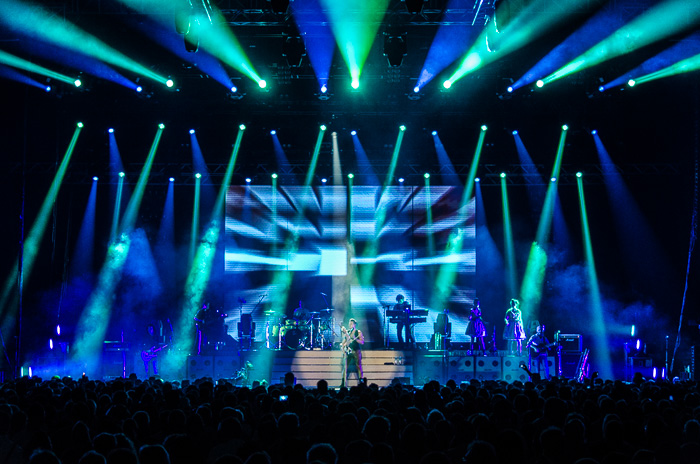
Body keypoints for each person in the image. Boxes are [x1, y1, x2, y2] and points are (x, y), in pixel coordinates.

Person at [341, 318, 364, 386]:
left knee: (358, 366)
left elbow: (362, 342)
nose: (350, 325)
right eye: (349, 324)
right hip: (349, 351)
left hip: (356, 351)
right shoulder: (347, 332)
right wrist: (343, 346)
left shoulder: (358, 332)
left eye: (351, 324)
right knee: (345, 367)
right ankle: (343, 383)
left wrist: (355, 338)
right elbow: (344, 342)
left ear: (355, 324)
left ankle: (361, 382)